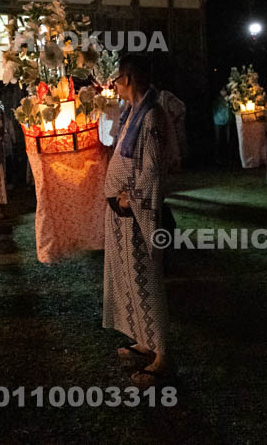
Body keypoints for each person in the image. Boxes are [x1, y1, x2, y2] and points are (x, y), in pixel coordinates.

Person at [103, 54, 173, 388]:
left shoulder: (153, 115)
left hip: (139, 211)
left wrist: (130, 199)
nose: (113, 85)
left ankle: (162, 354)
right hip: (121, 211)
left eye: (116, 79)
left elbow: (153, 168)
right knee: (131, 275)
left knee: (148, 276)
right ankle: (144, 339)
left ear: (128, 78)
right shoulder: (131, 112)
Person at [212, 87, 233, 165]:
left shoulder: (229, 99)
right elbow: (215, 110)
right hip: (218, 121)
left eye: (224, 90)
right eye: (222, 90)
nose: (224, 92)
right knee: (218, 140)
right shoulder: (217, 100)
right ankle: (218, 158)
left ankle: (228, 158)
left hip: (227, 121)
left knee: (228, 140)